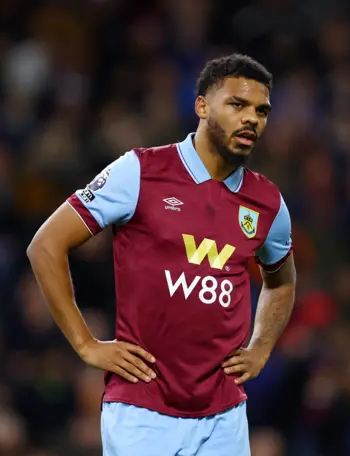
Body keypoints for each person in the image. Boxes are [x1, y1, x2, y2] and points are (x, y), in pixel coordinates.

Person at [27, 54, 297, 455]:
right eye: (237, 105)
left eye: (261, 111)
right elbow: (46, 245)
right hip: (141, 411)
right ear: (202, 106)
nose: (251, 119)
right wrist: (85, 344)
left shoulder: (267, 203)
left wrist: (261, 347)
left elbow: (282, 281)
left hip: (223, 415)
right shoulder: (140, 171)